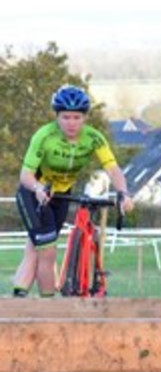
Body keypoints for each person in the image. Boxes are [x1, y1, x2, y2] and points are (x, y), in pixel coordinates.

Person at [13, 85, 135, 297]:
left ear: (85, 117)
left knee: (36, 247)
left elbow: (112, 168)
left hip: (61, 194)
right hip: (34, 192)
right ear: (57, 116)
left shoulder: (93, 138)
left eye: (77, 117)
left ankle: (19, 295)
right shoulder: (44, 136)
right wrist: (38, 188)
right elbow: (25, 175)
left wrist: (124, 193)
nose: (71, 123)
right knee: (48, 250)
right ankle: (48, 302)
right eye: (65, 117)